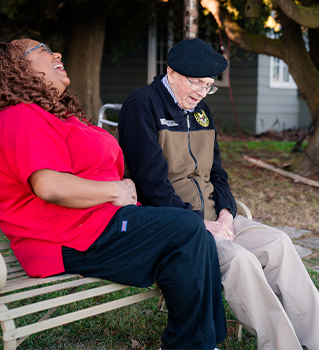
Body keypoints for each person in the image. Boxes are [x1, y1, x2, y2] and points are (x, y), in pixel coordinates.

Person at [0, 38, 227, 350]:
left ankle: (201, 343)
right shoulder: (20, 116)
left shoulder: (61, 117)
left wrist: (121, 190)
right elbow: (50, 186)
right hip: (63, 239)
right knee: (186, 228)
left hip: (96, 228)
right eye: (42, 50)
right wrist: (114, 190)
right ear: (16, 68)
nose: (57, 54)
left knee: (184, 243)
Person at [118, 38, 319, 350]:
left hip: (217, 218)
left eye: (208, 86)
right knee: (241, 261)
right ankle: (283, 346)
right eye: (195, 82)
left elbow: (218, 174)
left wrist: (226, 213)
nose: (201, 92)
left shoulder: (201, 110)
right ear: (171, 73)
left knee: (279, 243)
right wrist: (202, 223)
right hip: (177, 227)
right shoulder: (142, 106)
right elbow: (150, 186)